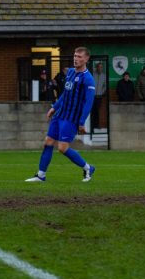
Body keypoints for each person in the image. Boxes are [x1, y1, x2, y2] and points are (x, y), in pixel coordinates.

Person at [26, 47, 96, 183]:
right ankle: (41, 175)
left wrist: (81, 122)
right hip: (60, 115)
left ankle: (88, 168)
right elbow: (65, 94)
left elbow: (89, 103)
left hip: (71, 119)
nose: (76, 59)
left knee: (62, 148)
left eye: (80, 57)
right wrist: (54, 107)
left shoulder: (88, 79)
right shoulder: (70, 72)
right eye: (75, 56)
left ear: (86, 59)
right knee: (48, 142)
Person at [91, 62, 107, 129]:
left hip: (99, 96)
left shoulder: (104, 76)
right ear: (97, 67)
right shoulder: (93, 74)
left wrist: (101, 92)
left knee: (97, 111)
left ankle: (96, 125)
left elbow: (105, 85)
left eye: (101, 67)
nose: (100, 68)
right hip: (92, 96)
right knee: (92, 110)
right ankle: (91, 125)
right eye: (99, 67)